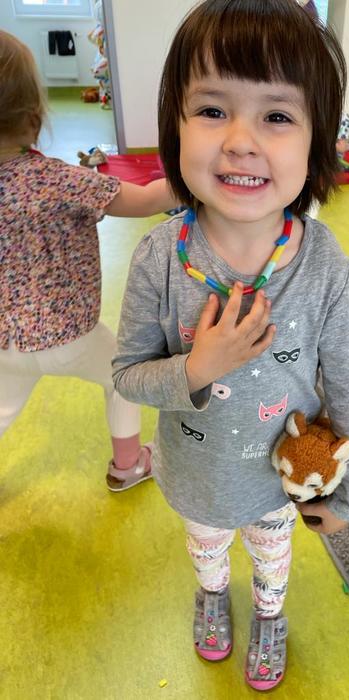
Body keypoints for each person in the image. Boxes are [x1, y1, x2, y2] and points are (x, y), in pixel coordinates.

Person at [112, 0, 349, 690]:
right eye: (211, 109)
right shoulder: (159, 259)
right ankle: (210, 596)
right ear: (173, 123)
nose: (239, 140)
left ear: (318, 140)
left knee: (271, 557)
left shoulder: (326, 268)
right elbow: (128, 375)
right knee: (206, 552)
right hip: (195, 475)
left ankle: (269, 614)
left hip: (277, 478)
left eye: (277, 116)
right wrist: (197, 367)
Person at [0, 30, 179, 492]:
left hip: (3, 343)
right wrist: (196, 177)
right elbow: (146, 200)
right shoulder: (60, 180)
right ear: (34, 118)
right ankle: (127, 466)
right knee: (122, 378)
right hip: (71, 336)